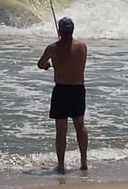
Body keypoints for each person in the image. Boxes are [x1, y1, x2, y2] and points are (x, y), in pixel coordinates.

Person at [37, 17, 88, 173]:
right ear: (72, 30)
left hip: (61, 91)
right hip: (78, 90)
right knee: (80, 126)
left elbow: (41, 64)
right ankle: (83, 162)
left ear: (59, 31)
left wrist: (48, 66)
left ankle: (61, 164)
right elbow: (76, 62)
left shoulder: (52, 48)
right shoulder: (82, 47)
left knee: (61, 130)